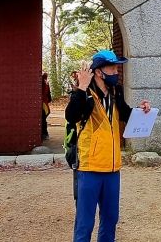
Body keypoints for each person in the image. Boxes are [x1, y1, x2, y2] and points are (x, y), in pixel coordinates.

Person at [65, 49, 151, 242]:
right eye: (112, 67)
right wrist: (81, 87)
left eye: (117, 67)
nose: (116, 71)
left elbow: (126, 113)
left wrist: (142, 110)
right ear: (98, 72)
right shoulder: (84, 93)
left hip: (113, 168)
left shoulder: (115, 91)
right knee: (85, 222)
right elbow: (71, 116)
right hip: (89, 168)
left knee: (110, 219)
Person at [41, 72, 53, 140]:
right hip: (45, 103)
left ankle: (44, 134)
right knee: (43, 119)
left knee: (42, 119)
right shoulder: (46, 83)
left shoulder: (43, 83)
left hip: (43, 103)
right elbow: (49, 96)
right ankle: (45, 134)